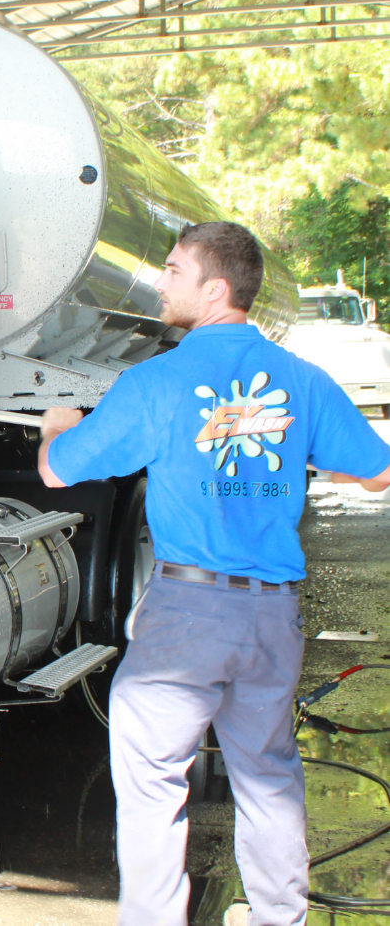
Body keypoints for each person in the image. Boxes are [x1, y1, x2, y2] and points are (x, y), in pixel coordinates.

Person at [37, 221, 390, 926]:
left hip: (186, 613)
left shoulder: (157, 382)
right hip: (270, 616)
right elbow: (376, 472)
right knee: (266, 777)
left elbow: (56, 469)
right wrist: (290, 451)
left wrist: (56, 423)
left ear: (215, 287)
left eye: (173, 270)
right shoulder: (301, 381)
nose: (161, 282)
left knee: (150, 782)